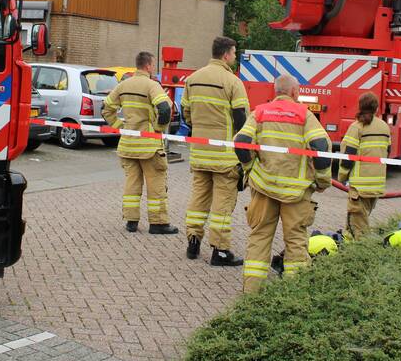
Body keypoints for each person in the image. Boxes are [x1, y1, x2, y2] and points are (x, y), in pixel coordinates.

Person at [234, 75, 331, 293]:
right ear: (295, 92)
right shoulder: (305, 115)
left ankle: (251, 294)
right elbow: (321, 148)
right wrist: (323, 180)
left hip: (264, 188)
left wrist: (250, 169)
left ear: (275, 91)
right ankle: (292, 298)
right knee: (296, 243)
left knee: (258, 239)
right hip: (295, 194)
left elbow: (241, 143)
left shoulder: (259, 113)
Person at [181, 37, 249, 265]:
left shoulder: (192, 79)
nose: (235, 56)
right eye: (234, 52)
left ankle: (193, 242)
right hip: (225, 157)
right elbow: (241, 119)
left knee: (198, 199)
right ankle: (220, 251)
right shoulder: (233, 81)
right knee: (222, 206)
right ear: (226, 55)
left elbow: (186, 114)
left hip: (199, 153)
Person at [102, 51, 179, 235]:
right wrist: (158, 128)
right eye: (153, 65)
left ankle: (131, 222)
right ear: (149, 66)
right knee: (156, 185)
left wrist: (121, 126)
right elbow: (164, 109)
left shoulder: (123, 85)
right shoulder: (152, 85)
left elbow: (106, 108)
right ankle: (158, 223)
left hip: (128, 144)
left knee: (132, 184)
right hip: (149, 146)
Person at [338, 92, 391, 239]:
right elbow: (388, 151)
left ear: (360, 107)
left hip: (359, 188)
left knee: (356, 230)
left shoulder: (357, 127)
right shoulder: (385, 127)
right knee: (358, 223)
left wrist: (342, 176)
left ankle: (360, 254)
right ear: (376, 108)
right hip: (376, 186)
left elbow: (348, 156)